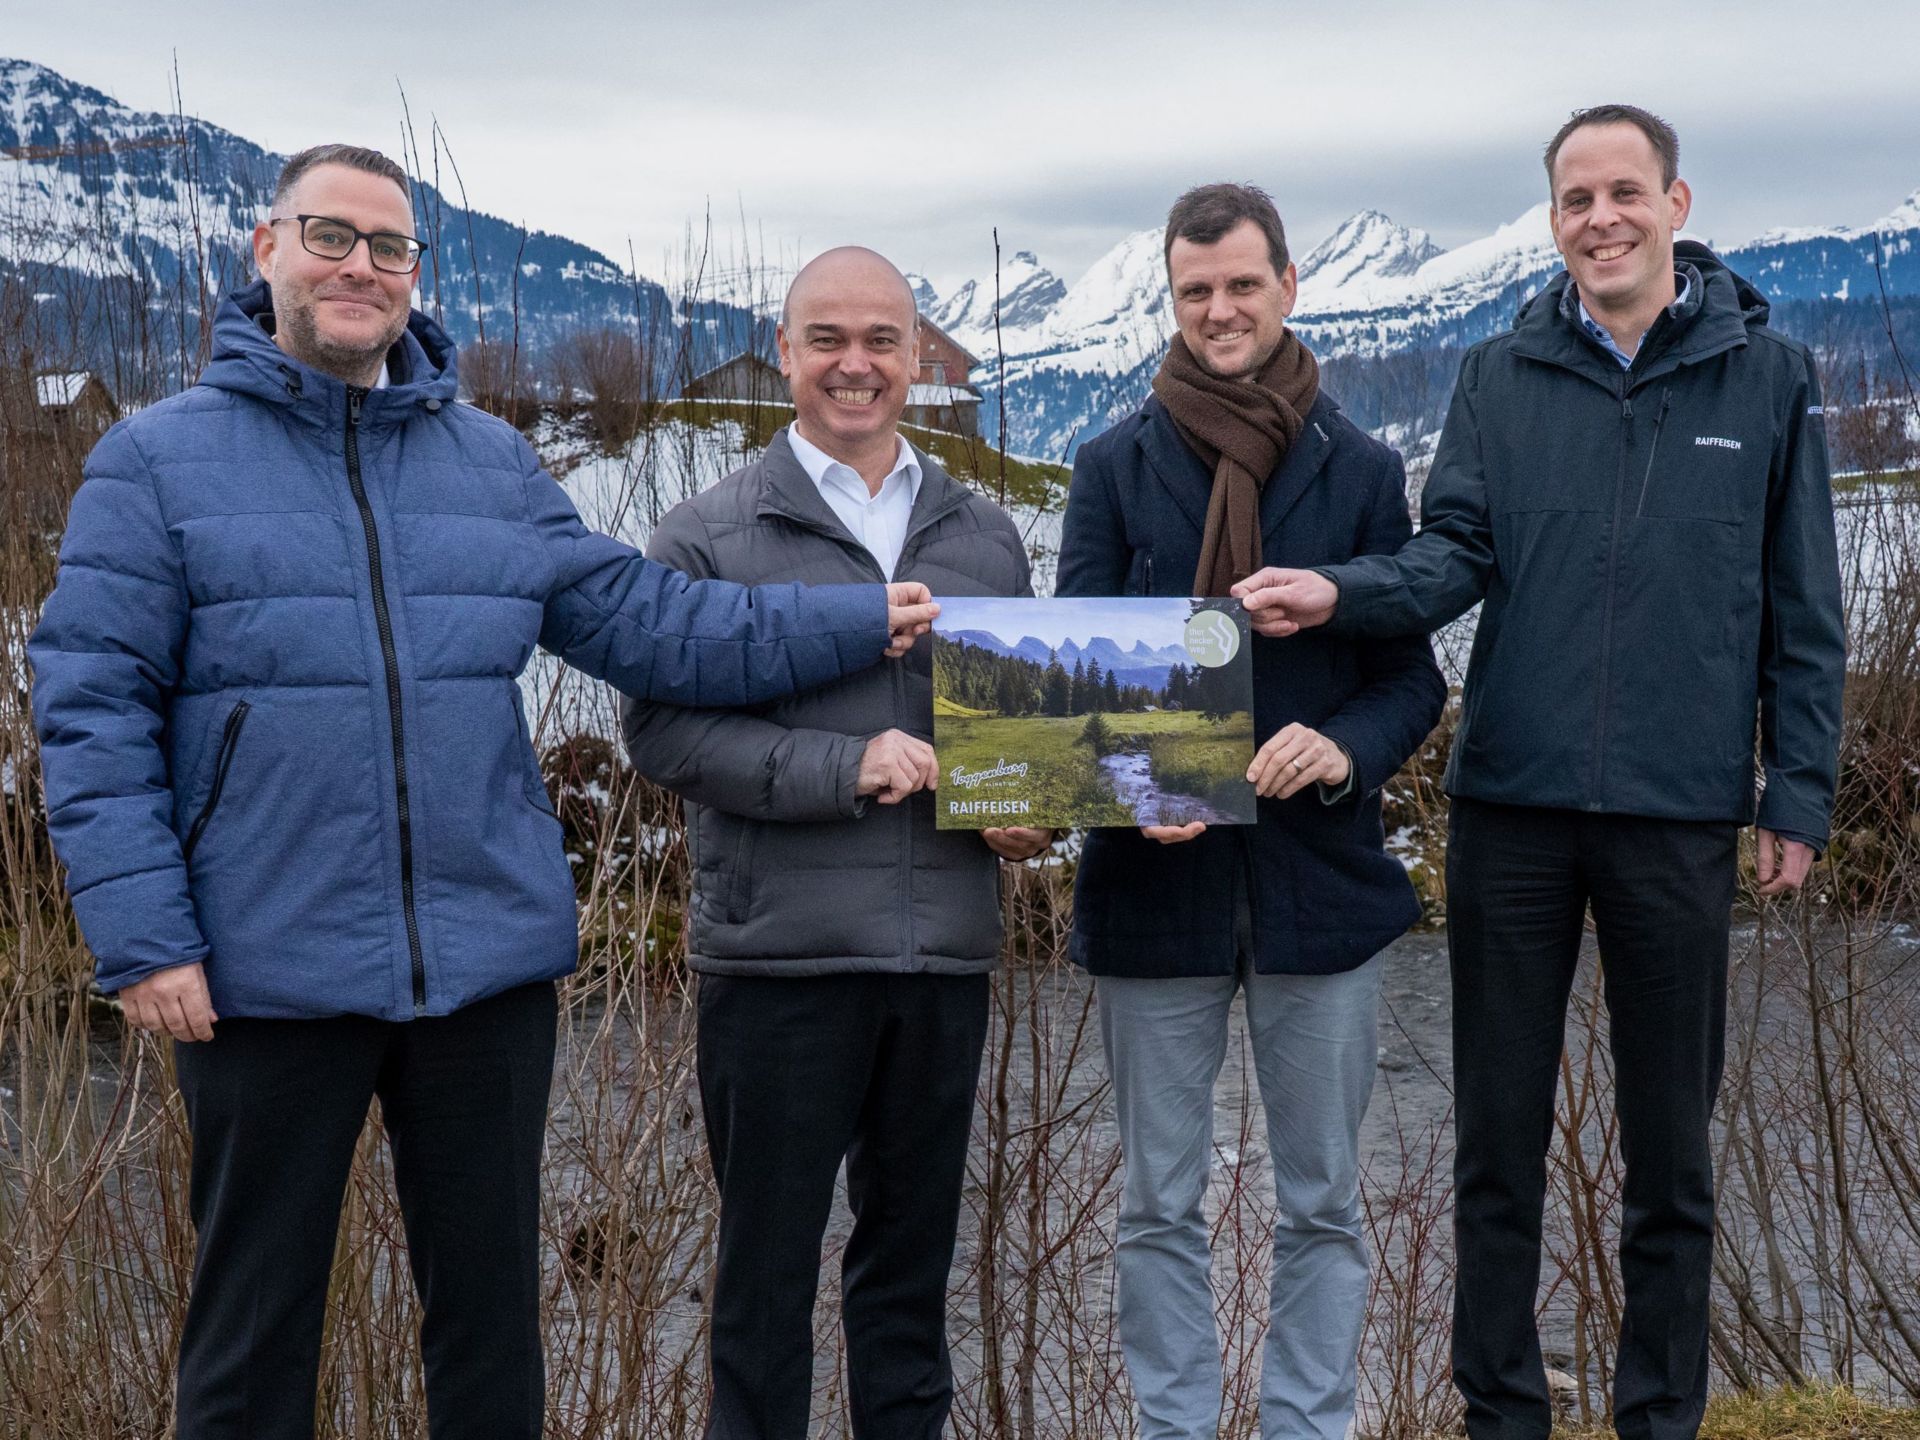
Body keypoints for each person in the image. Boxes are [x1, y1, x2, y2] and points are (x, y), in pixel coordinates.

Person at [27, 145, 938, 1440]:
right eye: (330, 236)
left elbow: (661, 628)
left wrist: (854, 621)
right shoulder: (154, 464)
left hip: (486, 972)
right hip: (259, 967)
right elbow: (90, 702)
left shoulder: (490, 466)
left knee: (494, 1337)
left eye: (388, 246)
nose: (359, 266)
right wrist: (144, 936)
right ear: (265, 250)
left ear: (414, 275)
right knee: (251, 1339)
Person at [1233, 105, 1846, 1440]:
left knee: (1673, 1157)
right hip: (1509, 811)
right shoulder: (1498, 375)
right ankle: (1500, 1413)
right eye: (1576, 198)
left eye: (1625, 192)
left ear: (1676, 203)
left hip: (1682, 816)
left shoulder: (1771, 375)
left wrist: (1795, 790)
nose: (1601, 218)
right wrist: (1336, 595)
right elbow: (1450, 553)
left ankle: (1659, 1418)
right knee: (1496, 1149)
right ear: (1553, 217)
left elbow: (1806, 610)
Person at [621, 245, 1046, 1440]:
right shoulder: (705, 538)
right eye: (828, 341)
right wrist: (843, 769)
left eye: (881, 343)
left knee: (910, 1296)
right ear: (786, 353)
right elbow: (662, 732)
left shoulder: (987, 538)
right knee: (762, 1291)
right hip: (780, 964)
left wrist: (1031, 813)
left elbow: (1016, 743)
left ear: (917, 357)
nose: (854, 367)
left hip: (944, 958)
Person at [1055, 183, 1445, 1440]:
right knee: (1158, 1205)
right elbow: (1072, 676)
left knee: (1326, 1200)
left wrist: (1335, 750)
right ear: (1171, 299)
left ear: (1287, 285)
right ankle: (1174, 1429)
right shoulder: (1112, 464)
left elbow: (1411, 677)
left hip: (1319, 893)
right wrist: (1126, 791)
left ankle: (1305, 1427)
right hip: (1153, 893)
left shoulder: (1366, 470)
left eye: (1241, 284)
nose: (1219, 310)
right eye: (1194, 291)